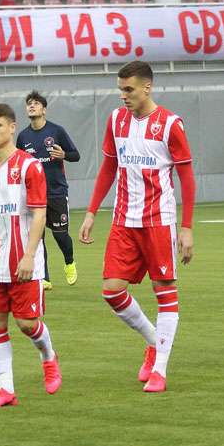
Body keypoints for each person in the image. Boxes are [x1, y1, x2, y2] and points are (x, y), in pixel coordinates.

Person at [79, 61, 195, 393]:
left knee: (165, 293)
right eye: (120, 89)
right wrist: (90, 212)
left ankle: (159, 370)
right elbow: (108, 168)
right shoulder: (116, 120)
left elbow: (186, 176)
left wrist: (185, 228)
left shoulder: (170, 124)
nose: (123, 96)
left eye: (128, 89)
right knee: (111, 290)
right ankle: (153, 342)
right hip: (123, 220)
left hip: (158, 220)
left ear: (147, 88)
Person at [0, 103, 62, 408]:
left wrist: (30, 255)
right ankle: (5, 390)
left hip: (23, 259)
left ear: (11, 127)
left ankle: (48, 355)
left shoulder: (29, 166)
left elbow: (38, 214)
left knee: (27, 323)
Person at [16, 91, 80, 291]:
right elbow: (18, 162)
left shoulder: (56, 131)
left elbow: (75, 155)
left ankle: (69, 262)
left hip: (56, 192)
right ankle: (44, 277)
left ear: (44, 109)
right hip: (33, 195)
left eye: (36, 103)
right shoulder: (23, 136)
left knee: (61, 235)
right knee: (38, 237)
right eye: (29, 104)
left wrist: (63, 155)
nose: (32, 106)